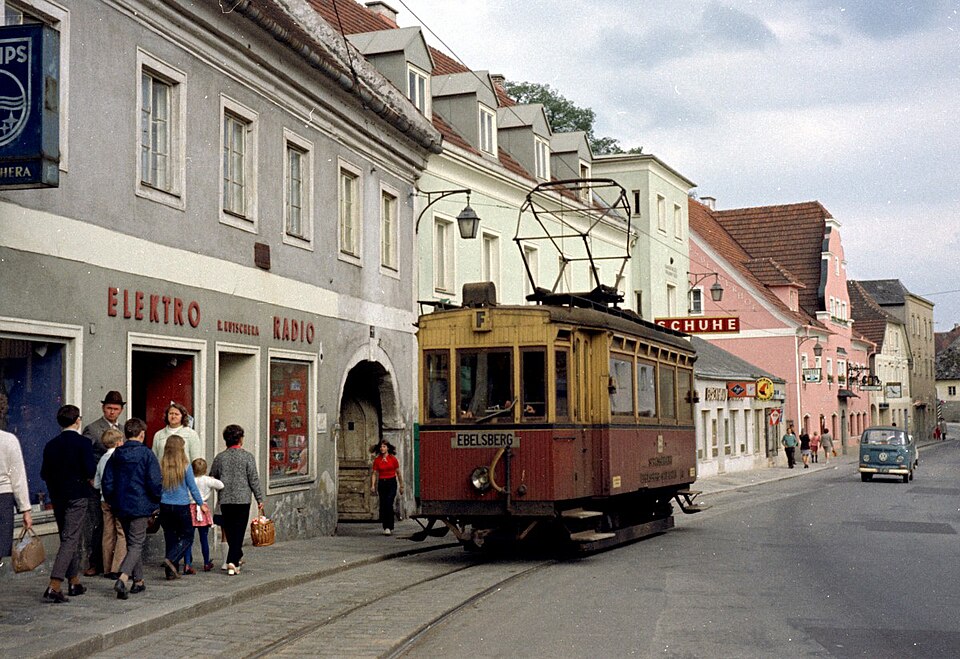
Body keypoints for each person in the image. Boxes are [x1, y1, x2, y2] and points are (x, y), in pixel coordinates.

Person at [40, 404, 97, 603]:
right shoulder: (83, 443)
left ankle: (74, 581)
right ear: (77, 421)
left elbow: (44, 473)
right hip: (77, 495)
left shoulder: (51, 444)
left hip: (58, 496)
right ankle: (54, 584)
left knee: (67, 537)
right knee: (71, 538)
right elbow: (90, 470)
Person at [101, 418, 162, 600]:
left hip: (121, 505)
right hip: (140, 505)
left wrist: (112, 500)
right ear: (142, 434)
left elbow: (107, 481)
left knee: (131, 543)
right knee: (136, 544)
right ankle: (123, 577)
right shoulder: (147, 454)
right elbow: (154, 482)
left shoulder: (116, 455)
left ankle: (139, 580)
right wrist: (156, 501)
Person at [80, 391, 126, 578]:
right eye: (109, 408)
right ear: (103, 408)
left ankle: (114, 563)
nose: (112, 412)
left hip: (117, 487)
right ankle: (95, 563)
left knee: (115, 526)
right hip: (98, 486)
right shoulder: (92, 429)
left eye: (116, 409)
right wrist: (89, 477)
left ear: (121, 410)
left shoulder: (123, 429)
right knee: (98, 525)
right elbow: (85, 455)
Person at [209, 424, 263, 576]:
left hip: (225, 499)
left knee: (230, 531)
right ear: (240, 439)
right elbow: (253, 479)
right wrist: (259, 498)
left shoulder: (220, 457)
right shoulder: (247, 457)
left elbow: (212, 476)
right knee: (239, 531)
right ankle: (233, 561)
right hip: (243, 499)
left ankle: (235, 558)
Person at [158, 435, 206, 579]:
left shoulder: (162, 465)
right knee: (187, 536)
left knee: (170, 537)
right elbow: (193, 488)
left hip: (165, 505)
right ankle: (171, 559)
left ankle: (170, 572)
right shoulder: (185, 466)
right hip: (181, 506)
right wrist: (201, 503)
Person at [1, 402, 33, 569]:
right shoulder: (9, 440)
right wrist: (25, 509)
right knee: (2, 544)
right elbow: (18, 477)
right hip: (3, 497)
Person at [92, 428, 126, 579]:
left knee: (108, 533)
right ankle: (117, 567)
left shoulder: (101, 460)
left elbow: (96, 484)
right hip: (118, 499)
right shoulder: (119, 458)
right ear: (119, 443)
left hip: (104, 500)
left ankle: (106, 567)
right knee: (121, 532)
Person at [186, 457, 222, 573]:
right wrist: (212, 479)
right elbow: (221, 485)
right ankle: (206, 562)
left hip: (190, 508)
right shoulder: (207, 480)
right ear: (205, 470)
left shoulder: (189, 480)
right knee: (204, 538)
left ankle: (187, 563)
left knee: (188, 539)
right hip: (203, 509)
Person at [370, 439, 404, 536]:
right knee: (383, 505)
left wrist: (401, 485)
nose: (382, 448)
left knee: (389, 503)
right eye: (381, 447)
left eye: (384, 446)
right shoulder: (377, 460)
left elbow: (398, 473)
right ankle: (386, 527)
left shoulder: (393, 459)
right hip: (382, 483)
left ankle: (390, 526)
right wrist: (373, 485)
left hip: (391, 482)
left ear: (388, 448)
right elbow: (374, 473)